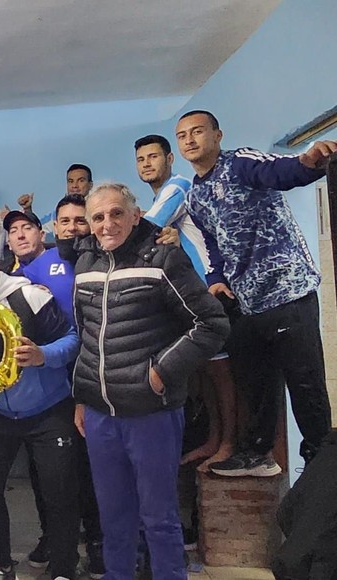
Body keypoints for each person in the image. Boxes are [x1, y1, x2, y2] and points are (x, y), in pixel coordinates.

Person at [73, 183, 229, 579]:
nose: (107, 224)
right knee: (113, 519)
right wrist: (82, 395)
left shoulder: (165, 259)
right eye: (98, 217)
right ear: (90, 224)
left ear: (135, 214)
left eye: (116, 213)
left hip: (151, 413)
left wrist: (160, 372)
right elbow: (86, 334)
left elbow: (211, 324)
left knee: (158, 518)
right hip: (99, 414)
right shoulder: (85, 265)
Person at [175, 109, 337, 475]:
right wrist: (216, 277)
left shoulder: (241, 163)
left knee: (306, 385)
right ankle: (257, 455)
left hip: (288, 292)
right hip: (246, 303)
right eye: (182, 135)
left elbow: (280, 172)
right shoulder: (196, 197)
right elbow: (213, 244)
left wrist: (309, 162)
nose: (189, 139)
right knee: (254, 382)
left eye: (197, 131)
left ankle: (322, 469)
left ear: (217, 135)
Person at [0, 234, 81, 580]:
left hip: (48, 411)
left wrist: (43, 355)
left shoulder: (29, 297)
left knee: (59, 493)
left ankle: (64, 567)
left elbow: (72, 340)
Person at [135, 133, 239, 471]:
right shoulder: (159, 198)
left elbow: (143, 231)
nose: (147, 163)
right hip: (191, 297)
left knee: (221, 373)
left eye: (153, 157)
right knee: (205, 371)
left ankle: (229, 443)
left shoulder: (176, 187)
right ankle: (214, 438)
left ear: (169, 159)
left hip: (211, 289)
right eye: (141, 159)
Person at [15, 195, 105, 577]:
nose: (72, 227)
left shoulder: (103, 260)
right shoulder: (32, 270)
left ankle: (100, 541)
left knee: (92, 466)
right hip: (55, 382)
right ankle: (54, 536)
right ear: (54, 226)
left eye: (80, 220)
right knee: (51, 470)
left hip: (99, 376)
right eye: (65, 221)